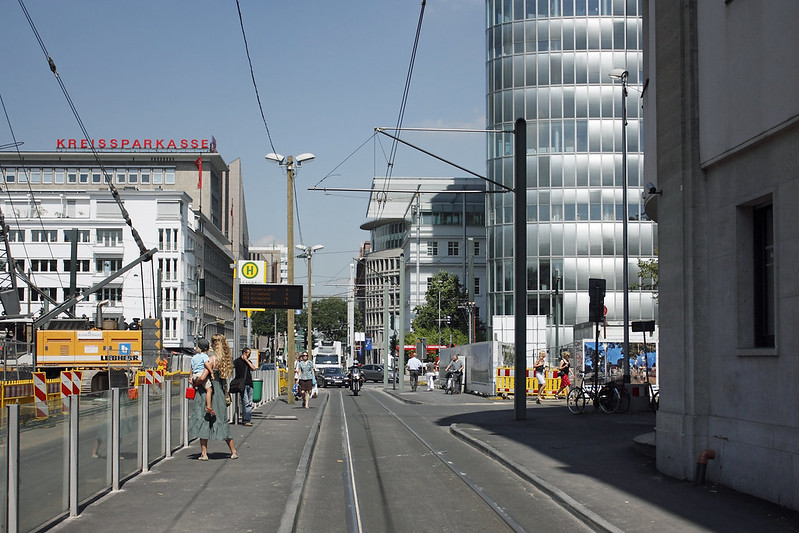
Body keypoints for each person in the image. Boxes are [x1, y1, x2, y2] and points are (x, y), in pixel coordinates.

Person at [188, 333, 238, 460]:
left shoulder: (211, 359)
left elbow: (202, 378)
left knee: (203, 419)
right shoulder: (225, 360)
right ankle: (233, 451)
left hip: (206, 392)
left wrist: (194, 382)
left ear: (214, 345)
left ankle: (204, 453)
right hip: (219, 392)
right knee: (221, 420)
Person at [191, 338, 215, 417]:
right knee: (209, 390)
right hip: (201, 374)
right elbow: (207, 364)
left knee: (197, 389)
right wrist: (211, 372)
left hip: (195, 375)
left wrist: (190, 377)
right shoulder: (205, 356)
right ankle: (208, 406)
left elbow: (191, 368)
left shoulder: (194, 357)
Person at [233, 347, 257, 426]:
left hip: (249, 384)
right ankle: (246, 420)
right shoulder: (237, 361)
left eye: (250, 354)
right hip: (242, 385)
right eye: (248, 354)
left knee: (249, 402)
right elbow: (231, 367)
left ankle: (245, 418)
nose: (249, 355)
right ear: (244, 353)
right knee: (246, 402)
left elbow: (253, 368)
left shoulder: (248, 361)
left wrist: (246, 360)